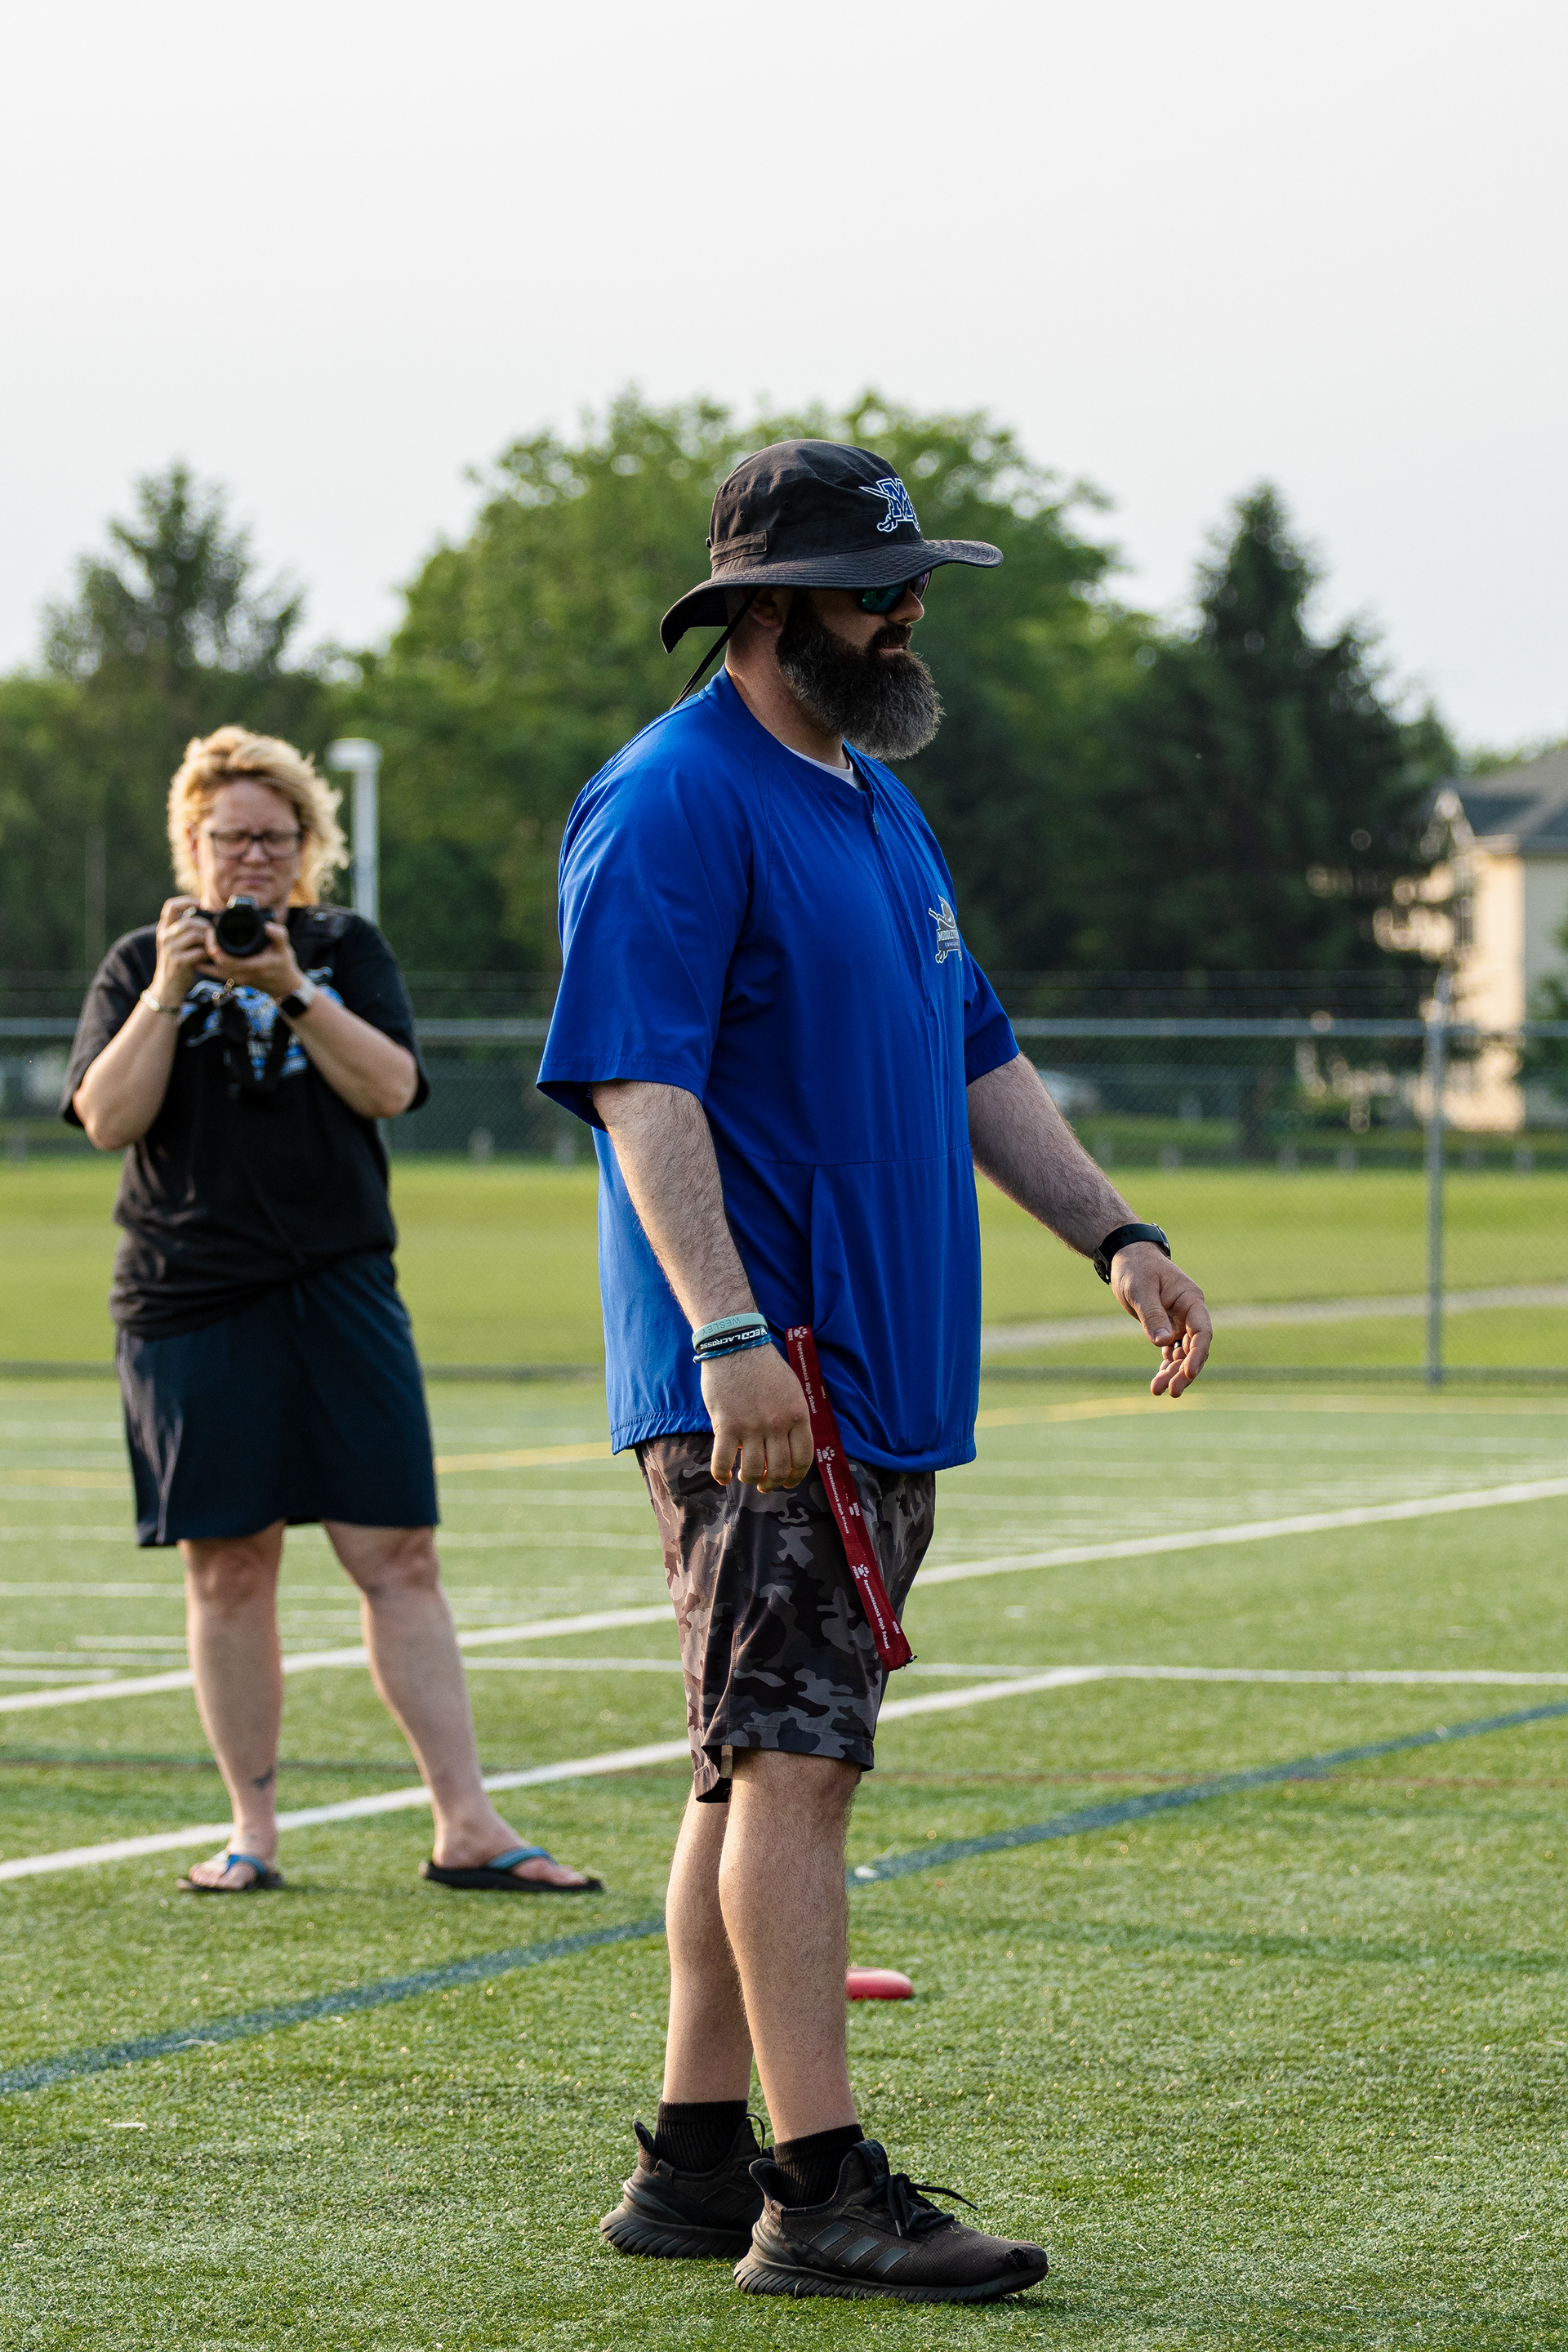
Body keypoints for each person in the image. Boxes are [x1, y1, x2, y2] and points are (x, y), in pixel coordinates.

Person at [538, 441, 1211, 2303]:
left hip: (873, 1376)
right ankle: (819, 2192)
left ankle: (693, 2160)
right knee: (795, 1767)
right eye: (871, 587)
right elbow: (638, 1081)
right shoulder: (672, 797)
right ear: (765, 610)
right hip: (776, 1383)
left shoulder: (875, 802)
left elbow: (975, 1049)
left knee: (742, 1770)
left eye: (912, 581)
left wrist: (1114, 1232)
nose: (908, 612)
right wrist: (729, 1332)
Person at [65, 726, 598, 1899]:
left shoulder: (345, 949)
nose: (252, 858)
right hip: (188, 1292)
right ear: (192, 845)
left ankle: (466, 1823)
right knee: (229, 1566)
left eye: (275, 837)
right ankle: (250, 1830)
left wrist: (291, 989)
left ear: (309, 846)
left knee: (397, 1552)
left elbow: (392, 1086)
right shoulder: (139, 961)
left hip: (339, 1284)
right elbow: (108, 1119)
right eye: (230, 838)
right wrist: (169, 990)